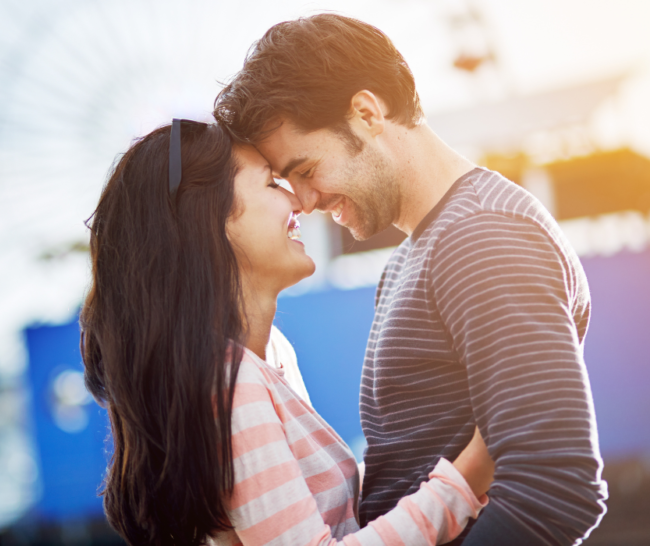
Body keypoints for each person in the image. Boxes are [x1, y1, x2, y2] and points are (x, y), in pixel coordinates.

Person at [214, 13, 608, 546]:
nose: (303, 203)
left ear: (366, 113)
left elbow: (556, 487)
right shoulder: (418, 253)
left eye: (306, 171)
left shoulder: (483, 237)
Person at [80, 120, 494, 546]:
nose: (298, 199)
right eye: (271, 184)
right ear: (211, 220)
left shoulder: (269, 356)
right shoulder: (227, 384)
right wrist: (472, 470)